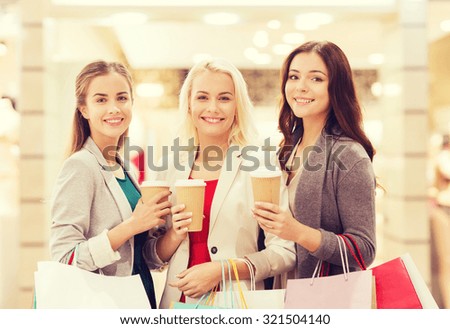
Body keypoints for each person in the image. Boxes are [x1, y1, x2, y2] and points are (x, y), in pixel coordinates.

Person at [148, 57, 296, 308]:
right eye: (203, 97)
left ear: (237, 106)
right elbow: (151, 256)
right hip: (177, 304)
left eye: (224, 98)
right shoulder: (168, 166)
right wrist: (174, 235)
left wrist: (223, 270)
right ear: (188, 104)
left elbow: (284, 252)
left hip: (237, 304)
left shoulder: (259, 164)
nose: (213, 108)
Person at [49, 60, 171, 308]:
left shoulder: (123, 167)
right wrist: (132, 226)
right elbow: (65, 258)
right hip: (102, 303)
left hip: (137, 296)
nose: (114, 108)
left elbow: (140, 254)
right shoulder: (81, 166)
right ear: (84, 109)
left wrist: (173, 230)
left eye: (122, 98)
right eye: (101, 100)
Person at [252, 40, 377, 278]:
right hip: (279, 290)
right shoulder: (286, 149)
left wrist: (299, 232)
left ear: (336, 88)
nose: (301, 87)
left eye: (316, 79)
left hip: (323, 298)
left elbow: (364, 251)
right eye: (294, 77)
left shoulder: (349, 155)